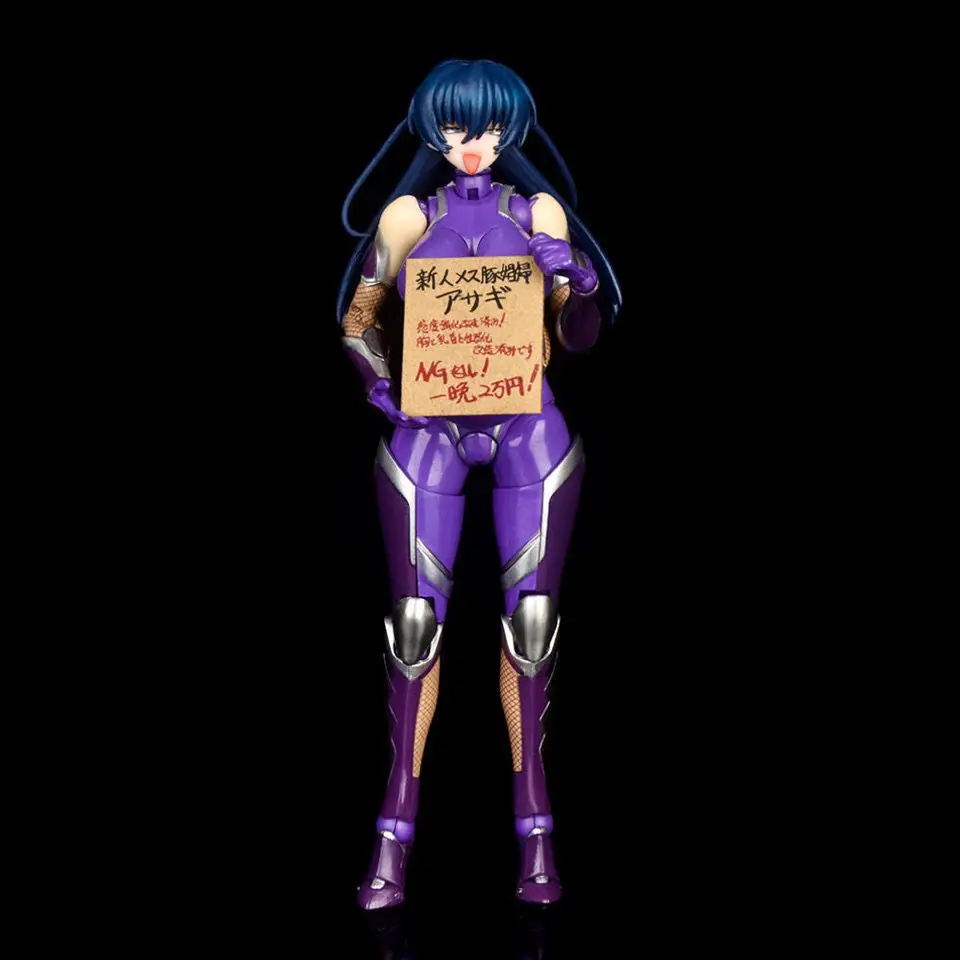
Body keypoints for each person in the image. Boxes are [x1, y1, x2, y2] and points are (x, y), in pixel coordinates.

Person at [337, 58, 621, 909]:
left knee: (531, 627)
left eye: (491, 128)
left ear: (512, 131)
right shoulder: (407, 217)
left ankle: (537, 835)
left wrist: (577, 279)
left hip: (527, 420)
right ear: (432, 129)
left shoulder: (537, 212)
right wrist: (375, 376)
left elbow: (576, 336)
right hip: (430, 422)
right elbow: (358, 318)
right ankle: (393, 837)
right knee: (413, 629)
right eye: (458, 126)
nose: (473, 144)